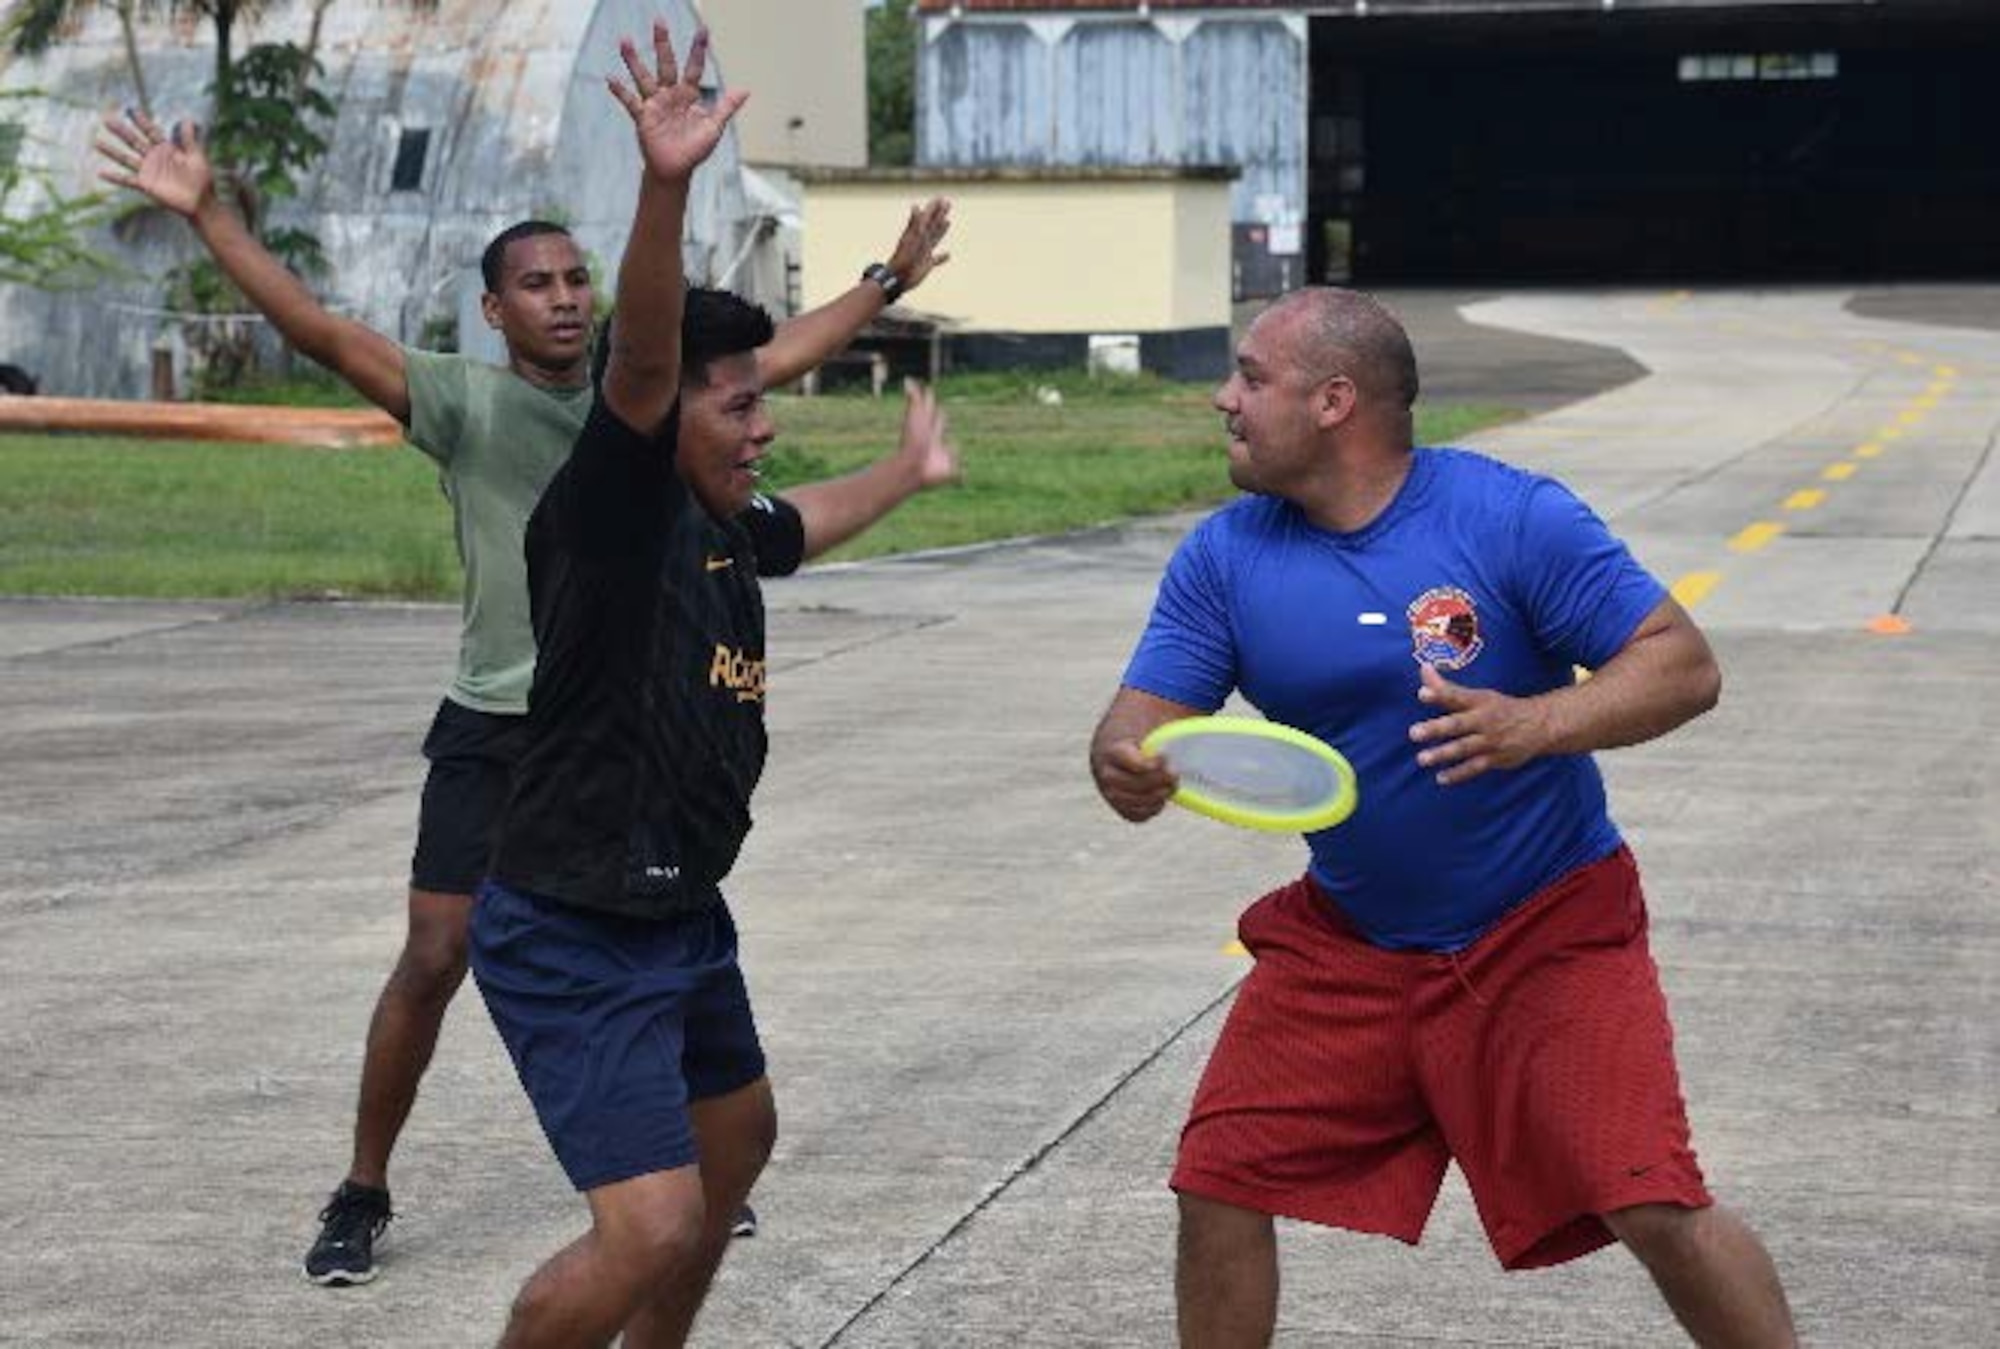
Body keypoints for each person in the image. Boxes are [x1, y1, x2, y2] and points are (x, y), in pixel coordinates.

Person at [93, 60, 957, 1288]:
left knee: (649, 937)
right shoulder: (471, 405)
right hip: (501, 725)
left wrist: (882, 280)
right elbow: (315, 329)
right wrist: (209, 213)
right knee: (436, 953)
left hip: (618, 734)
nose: (558, 298)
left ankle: (665, 1176)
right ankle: (364, 1181)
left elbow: (755, 361)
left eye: (574, 279)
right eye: (533, 285)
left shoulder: (671, 428)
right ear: (491, 311)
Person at [1089, 287, 1796, 1348]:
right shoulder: (1226, 555)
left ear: (1333, 401)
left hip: (1545, 930)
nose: (1221, 399)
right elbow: (1138, 725)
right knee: (1217, 1180)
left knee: (1648, 1195)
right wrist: (1123, 763)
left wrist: (1537, 720)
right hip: (1351, 940)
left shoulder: (1509, 517)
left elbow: (1681, 665)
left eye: (1248, 376)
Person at [467, 23, 955, 1346]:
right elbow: (638, 363)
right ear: (664, 417)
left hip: (678, 908)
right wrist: (668, 184)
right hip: (572, 922)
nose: (764, 422)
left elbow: (807, 520)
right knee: (655, 1223)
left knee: (736, 1142)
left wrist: (907, 479)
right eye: (735, 405)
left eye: (760, 400)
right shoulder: (613, 512)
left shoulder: (728, 525)